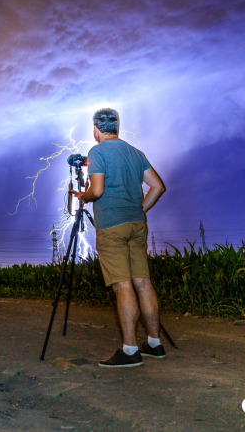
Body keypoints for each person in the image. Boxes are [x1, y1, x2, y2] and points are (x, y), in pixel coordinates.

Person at [76, 108, 166, 368]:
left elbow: (98, 190)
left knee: (122, 286)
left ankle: (129, 351)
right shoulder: (135, 153)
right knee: (143, 283)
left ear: (96, 130)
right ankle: (154, 343)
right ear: (117, 127)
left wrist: (84, 196)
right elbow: (158, 186)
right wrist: (140, 209)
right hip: (137, 225)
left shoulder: (97, 152)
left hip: (112, 226)